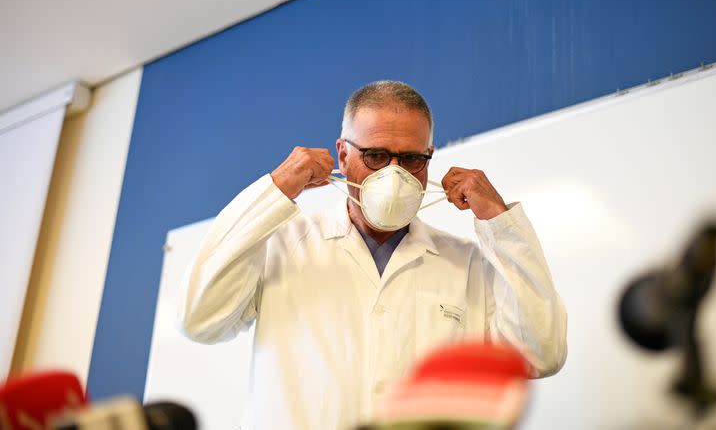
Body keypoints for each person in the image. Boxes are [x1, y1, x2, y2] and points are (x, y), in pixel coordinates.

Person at [177, 81, 567, 430]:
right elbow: (200, 318)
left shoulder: (464, 263)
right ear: (343, 155)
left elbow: (540, 354)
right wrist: (276, 189)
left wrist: (499, 222)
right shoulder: (284, 243)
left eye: (412, 159)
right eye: (376, 156)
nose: (394, 175)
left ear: (429, 158)